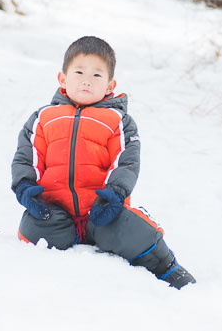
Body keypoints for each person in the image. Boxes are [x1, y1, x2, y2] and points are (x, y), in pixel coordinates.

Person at [10, 36, 196, 289]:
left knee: (133, 232)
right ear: (63, 78)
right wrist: (24, 188)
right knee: (31, 228)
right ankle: (65, 235)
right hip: (55, 210)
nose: (87, 79)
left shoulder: (117, 120)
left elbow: (125, 161)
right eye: (79, 72)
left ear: (110, 85)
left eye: (97, 75)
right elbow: (26, 155)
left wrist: (115, 194)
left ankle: (166, 267)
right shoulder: (44, 117)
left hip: (102, 210)